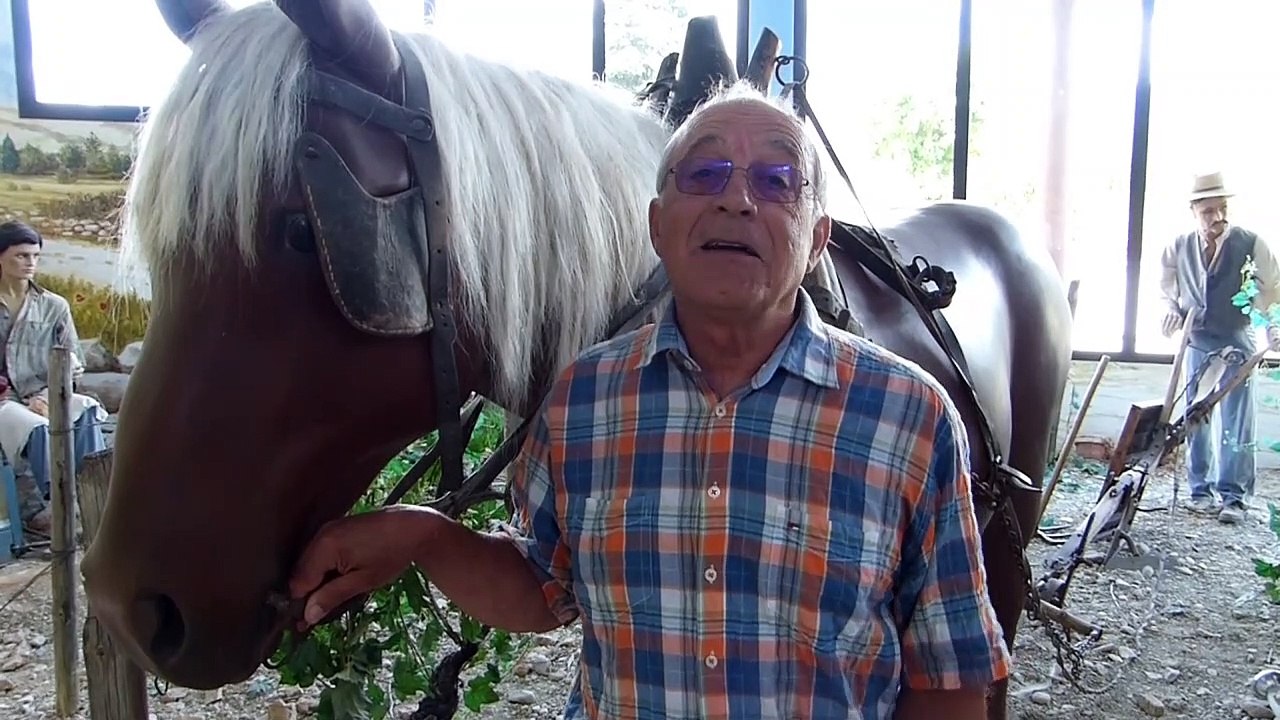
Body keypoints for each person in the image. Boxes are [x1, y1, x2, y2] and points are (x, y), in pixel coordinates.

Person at [289, 82, 1009, 719]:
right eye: (706, 172)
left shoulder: (910, 418)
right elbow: (542, 585)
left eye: (777, 179)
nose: (736, 197)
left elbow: (947, 677)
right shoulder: (585, 400)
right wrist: (422, 535)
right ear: (658, 226)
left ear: (817, 238)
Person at [1159, 171, 1280, 525]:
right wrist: (1171, 312)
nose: (1217, 217)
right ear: (1193, 211)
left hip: (1237, 338)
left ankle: (1234, 496)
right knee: (1196, 414)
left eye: (1222, 209)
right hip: (1197, 340)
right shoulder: (1178, 247)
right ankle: (1200, 490)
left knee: (1237, 419)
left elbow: (1269, 292)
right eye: (1208, 211)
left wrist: (1272, 325)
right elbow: (1167, 290)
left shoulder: (1250, 244)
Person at [0, 220, 107, 536]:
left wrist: (49, 393)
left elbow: (74, 361)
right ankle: (58, 502)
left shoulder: (53, 305)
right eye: (21, 255)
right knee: (36, 427)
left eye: (35, 256)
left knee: (86, 408)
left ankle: (95, 492)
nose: (30, 263)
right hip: (5, 400)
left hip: (45, 392)